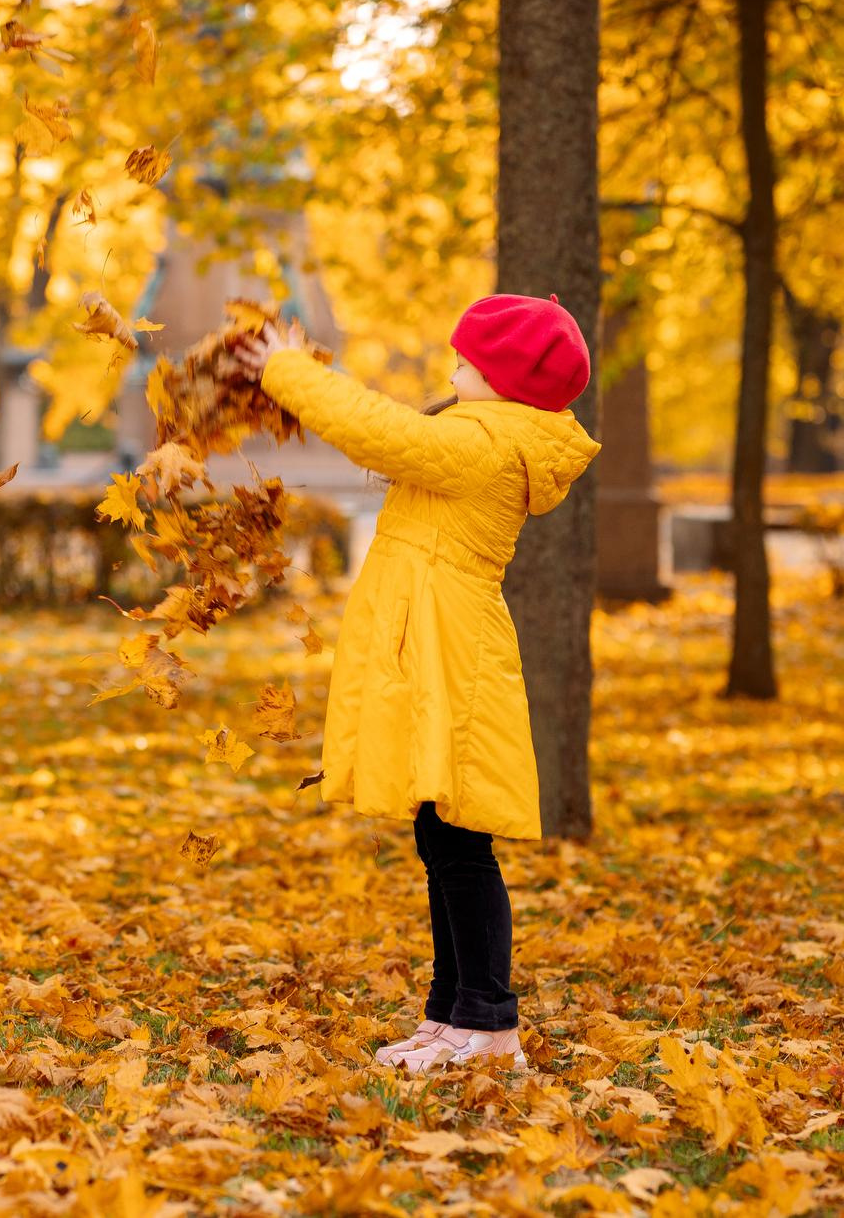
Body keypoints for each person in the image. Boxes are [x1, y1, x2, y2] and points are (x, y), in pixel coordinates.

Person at [234, 296, 599, 1071]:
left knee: (462, 843)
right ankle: (452, 1012)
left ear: (502, 381)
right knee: (441, 835)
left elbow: (381, 431)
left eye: (468, 360)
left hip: (453, 656)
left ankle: (492, 1024)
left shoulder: (484, 444)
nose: (454, 368)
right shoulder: (482, 435)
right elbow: (392, 428)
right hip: (439, 646)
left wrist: (286, 370)